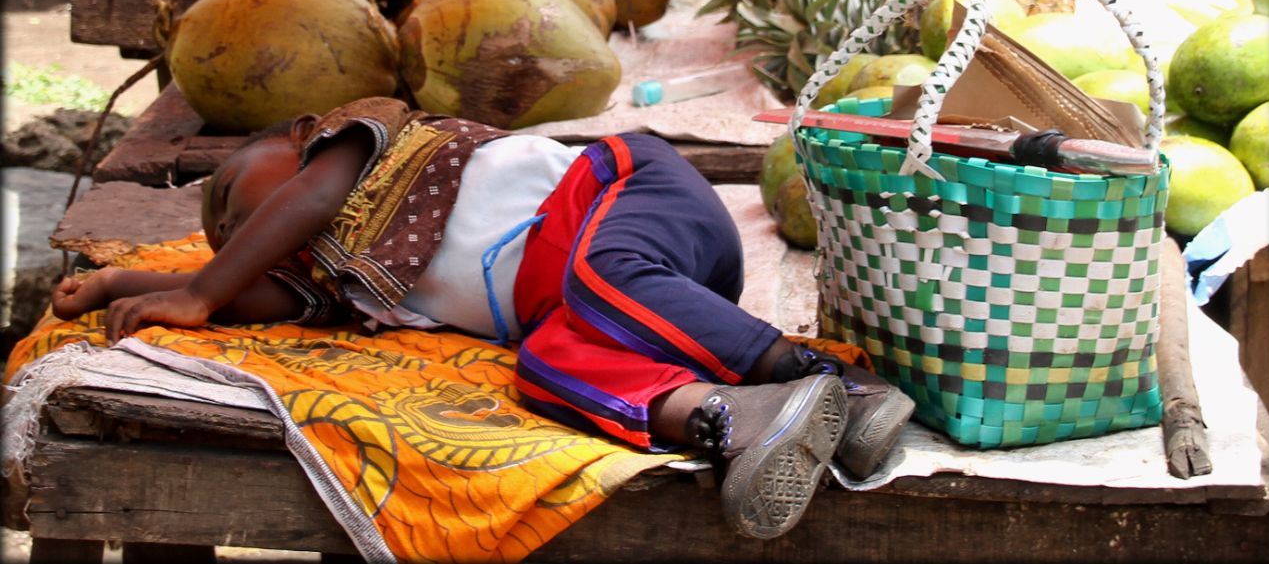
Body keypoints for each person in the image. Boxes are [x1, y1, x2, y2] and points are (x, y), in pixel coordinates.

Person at [52, 97, 914, 540]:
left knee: (596, 278)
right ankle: (739, 417)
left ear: (301, 136)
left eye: (238, 202)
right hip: (603, 309)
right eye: (234, 240)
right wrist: (125, 280)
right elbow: (262, 292)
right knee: (543, 365)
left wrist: (198, 288)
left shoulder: (362, 142)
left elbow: (304, 202)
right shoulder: (355, 281)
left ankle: (829, 377)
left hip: (626, 197)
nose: (246, 237)